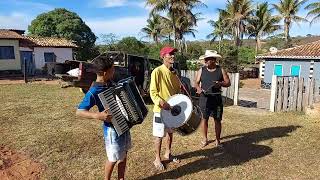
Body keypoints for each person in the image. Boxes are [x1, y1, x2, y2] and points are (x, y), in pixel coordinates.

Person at [76, 56, 131, 180]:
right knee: (112, 159)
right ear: (106, 73)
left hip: (123, 124)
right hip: (111, 130)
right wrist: (97, 115)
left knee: (123, 155)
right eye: (112, 70)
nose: (114, 72)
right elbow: (79, 112)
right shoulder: (94, 91)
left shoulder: (111, 83)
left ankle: (121, 178)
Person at [150, 46, 181, 170]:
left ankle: (168, 153)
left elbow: (177, 91)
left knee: (170, 133)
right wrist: (160, 102)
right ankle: (157, 158)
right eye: (170, 54)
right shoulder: (157, 71)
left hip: (172, 110)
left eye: (173, 54)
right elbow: (153, 92)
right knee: (159, 135)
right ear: (163, 57)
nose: (173, 56)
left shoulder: (175, 73)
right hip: (160, 110)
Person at [194, 50, 231, 148]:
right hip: (204, 99)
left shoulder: (221, 70)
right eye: (205, 59)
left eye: (208, 59)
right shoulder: (201, 70)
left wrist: (221, 83)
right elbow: (196, 83)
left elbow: (228, 83)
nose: (205, 61)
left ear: (214, 60)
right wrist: (198, 89)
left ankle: (218, 140)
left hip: (217, 99)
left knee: (217, 120)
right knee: (204, 119)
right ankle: (204, 139)